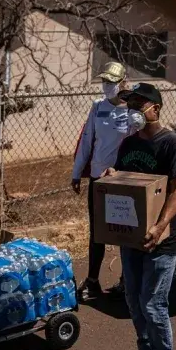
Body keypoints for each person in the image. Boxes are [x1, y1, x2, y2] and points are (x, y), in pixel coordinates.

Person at [101, 83, 176, 350]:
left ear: (155, 108)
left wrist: (160, 225)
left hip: (163, 238)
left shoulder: (172, 144)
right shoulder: (128, 144)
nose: (131, 111)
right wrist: (114, 174)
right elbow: (127, 181)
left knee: (153, 303)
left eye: (138, 105)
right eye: (129, 105)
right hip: (133, 235)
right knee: (133, 299)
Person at [72, 61, 129, 301]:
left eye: (112, 82)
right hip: (98, 178)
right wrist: (76, 173)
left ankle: (127, 281)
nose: (107, 86)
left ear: (123, 83)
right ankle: (93, 280)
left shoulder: (133, 111)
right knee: (97, 232)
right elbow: (87, 141)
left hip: (123, 180)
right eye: (105, 81)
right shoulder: (97, 107)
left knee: (127, 232)